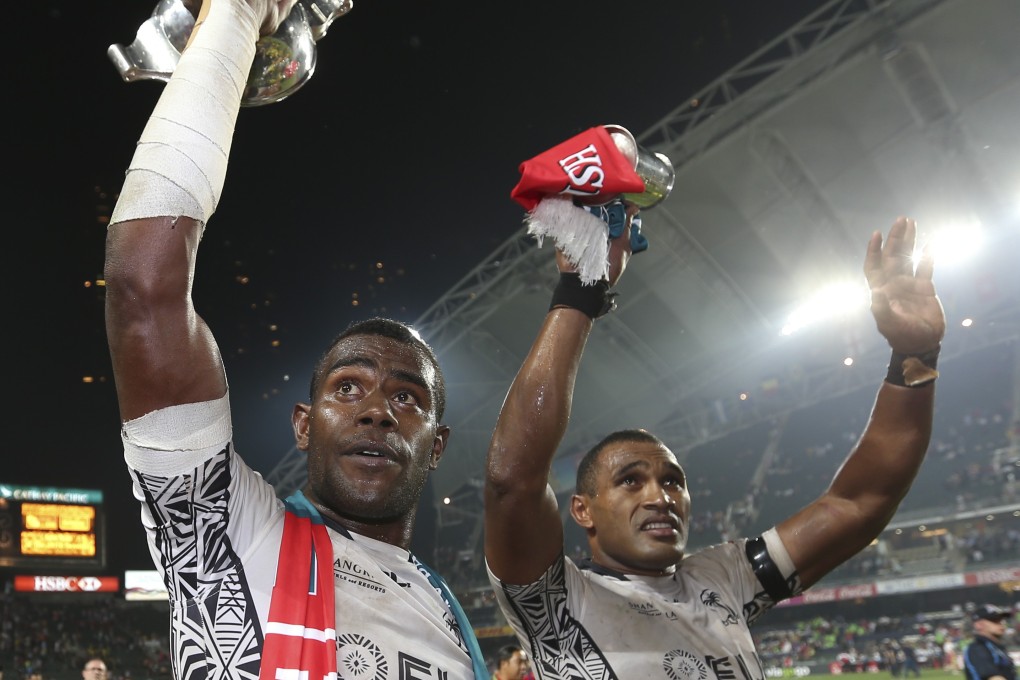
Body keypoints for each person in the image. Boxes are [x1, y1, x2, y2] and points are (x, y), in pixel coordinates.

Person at [102, 0, 487, 678]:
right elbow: (144, 285)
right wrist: (235, 18)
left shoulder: (447, 608)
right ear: (303, 426)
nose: (377, 410)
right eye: (349, 387)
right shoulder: (231, 531)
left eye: (407, 398)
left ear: (438, 446)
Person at [483, 199, 946, 677]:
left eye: (673, 481)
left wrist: (915, 357)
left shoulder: (725, 577)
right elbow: (512, 480)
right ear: (582, 509)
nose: (660, 496)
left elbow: (860, 502)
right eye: (629, 481)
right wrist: (580, 292)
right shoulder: (555, 601)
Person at [963, 605, 1016, 680]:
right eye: (994, 620)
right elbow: (993, 677)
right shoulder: (977, 648)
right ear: (979, 625)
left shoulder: (997, 647)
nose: (1001, 623)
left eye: (1002, 619)